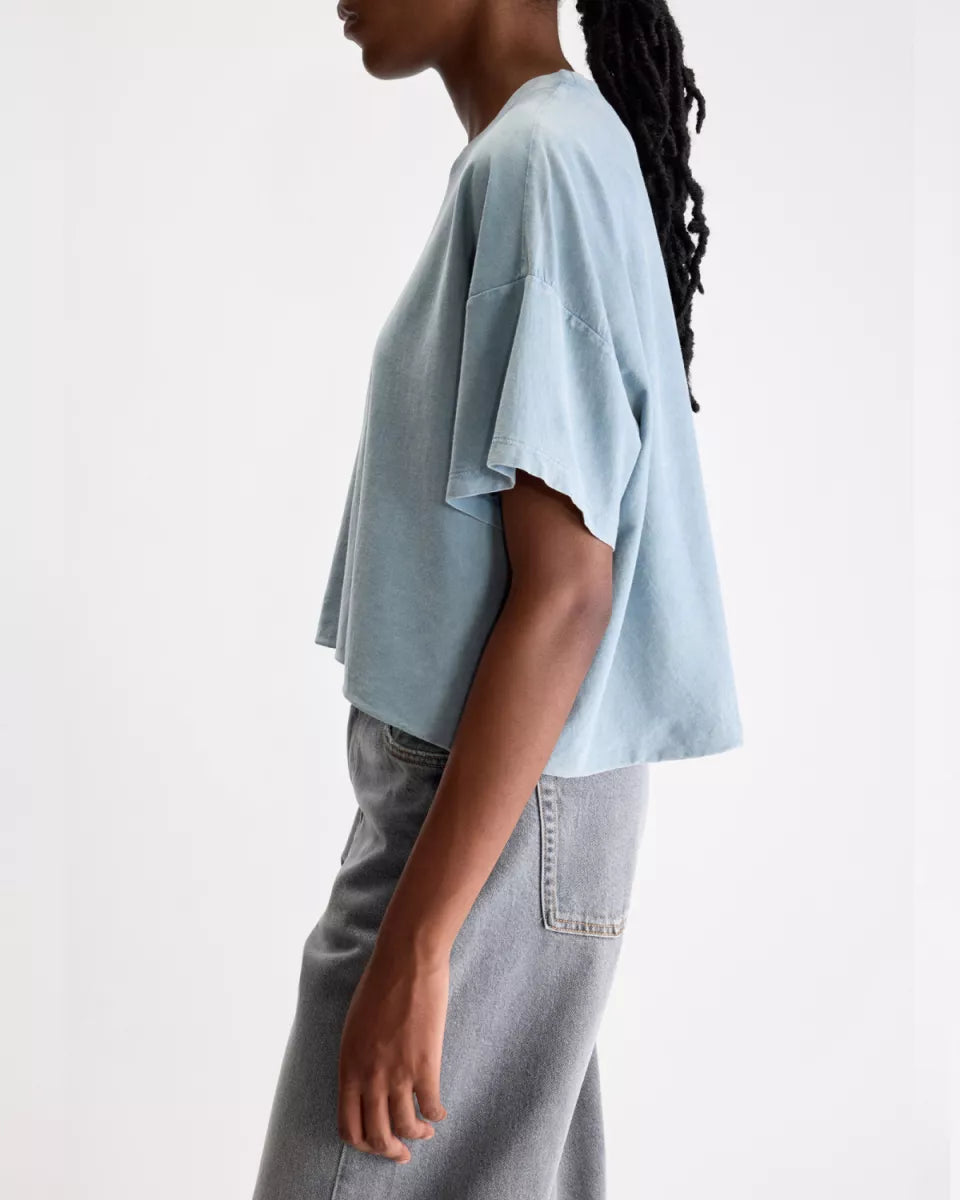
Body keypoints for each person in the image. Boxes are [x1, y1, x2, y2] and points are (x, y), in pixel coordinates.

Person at [251, 1, 742, 1196]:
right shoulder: (551, 148)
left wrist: (419, 943)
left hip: (486, 814)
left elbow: (568, 589)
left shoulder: (540, 160)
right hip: (514, 806)